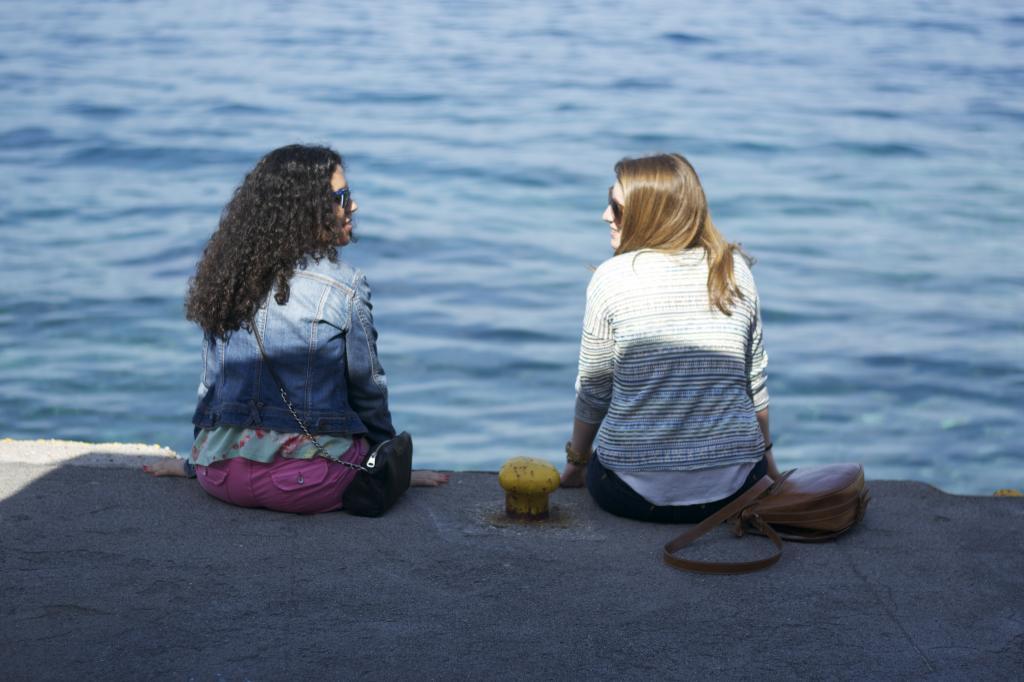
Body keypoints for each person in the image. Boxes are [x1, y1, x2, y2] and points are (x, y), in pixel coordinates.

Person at [144, 144, 447, 512]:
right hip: (307, 483)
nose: (353, 207)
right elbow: (367, 389)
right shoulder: (343, 285)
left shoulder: (228, 279)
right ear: (307, 210)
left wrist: (196, 463)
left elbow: (211, 388)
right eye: (341, 197)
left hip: (219, 476)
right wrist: (386, 467)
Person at [560, 153, 780, 523]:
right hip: (739, 488)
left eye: (616, 206)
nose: (605, 215)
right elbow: (752, 383)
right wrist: (769, 466)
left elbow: (595, 390)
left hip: (630, 493)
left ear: (650, 213)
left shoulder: (612, 278)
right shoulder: (734, 270)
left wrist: (577, 464)